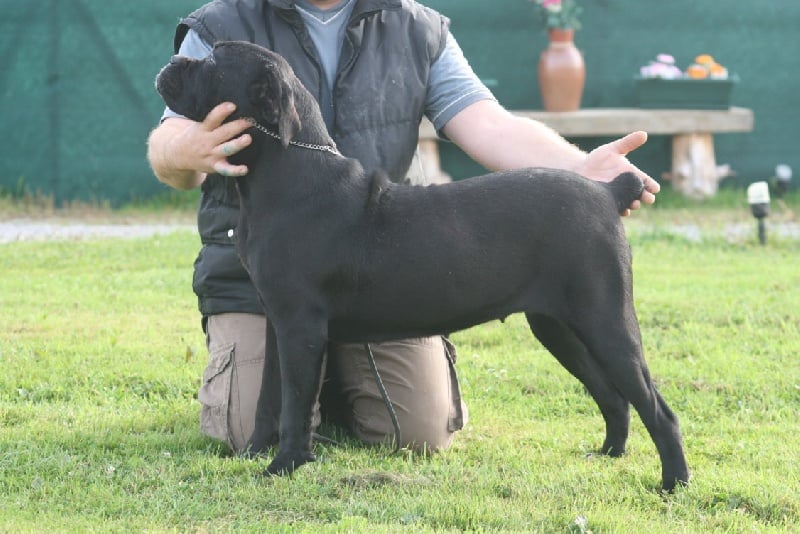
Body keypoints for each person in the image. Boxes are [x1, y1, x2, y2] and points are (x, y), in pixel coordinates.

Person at [147, 0, 660, 456]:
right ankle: (309, 388)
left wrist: (582, 171)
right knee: (244, 432)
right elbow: (168, 146)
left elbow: (488, 123)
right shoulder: (221, 22)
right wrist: (184, 150)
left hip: (386, 267)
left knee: (417, 433)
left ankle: (331, 387)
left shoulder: (416, 26)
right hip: (251, 281)